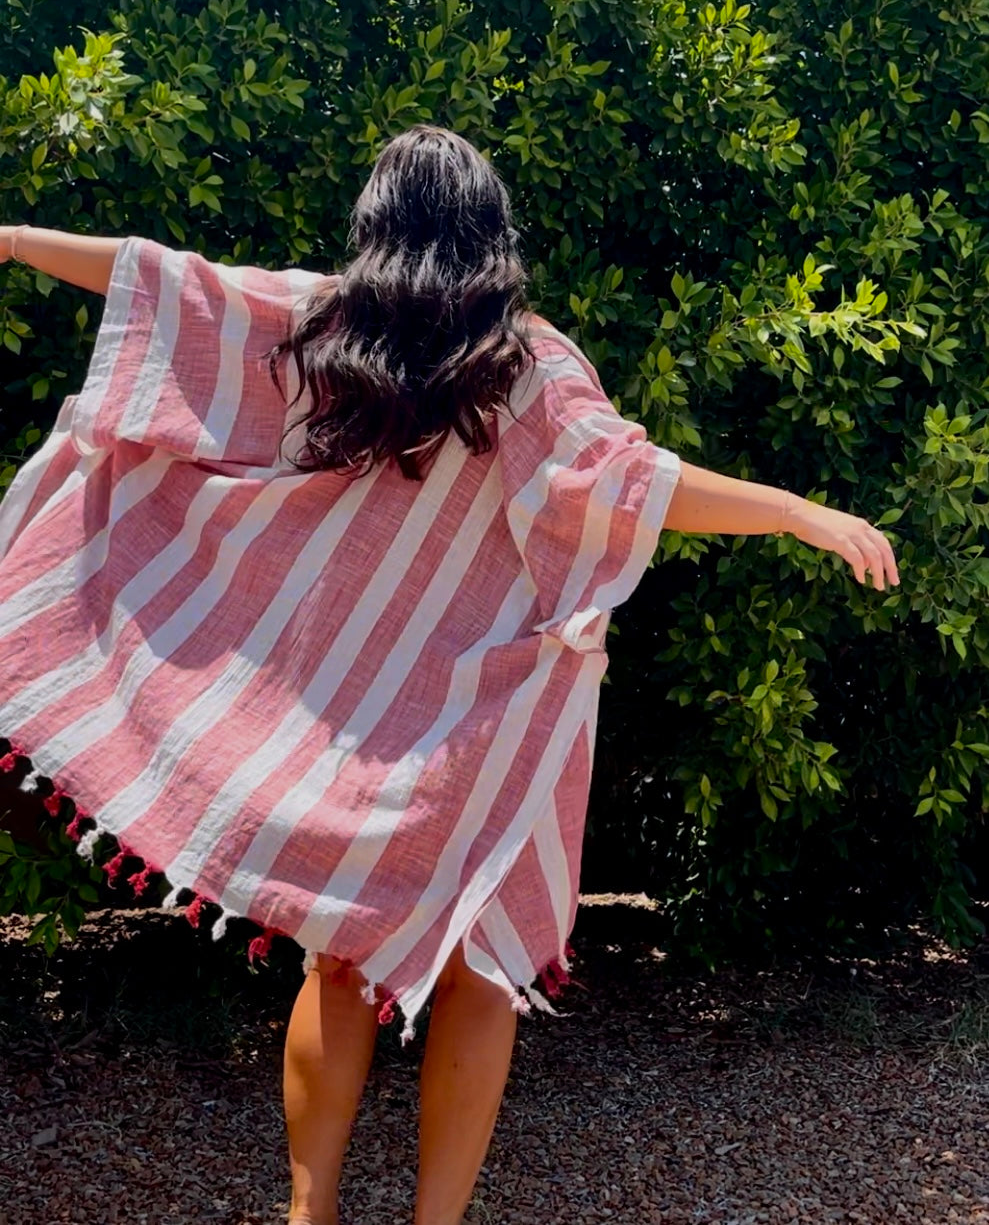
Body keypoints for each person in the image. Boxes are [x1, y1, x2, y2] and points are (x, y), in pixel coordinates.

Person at [0, 124, 897, 1225]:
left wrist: (9, 239)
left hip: (355, 725)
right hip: (495, 727)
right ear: (491, 228)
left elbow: (165, 282)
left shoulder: (327, 327)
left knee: (336, 964)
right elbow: (635, 484)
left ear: (378, 221)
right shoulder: (523, 362)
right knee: (483, 978)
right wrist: (792, 511)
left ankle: (309, 1211)